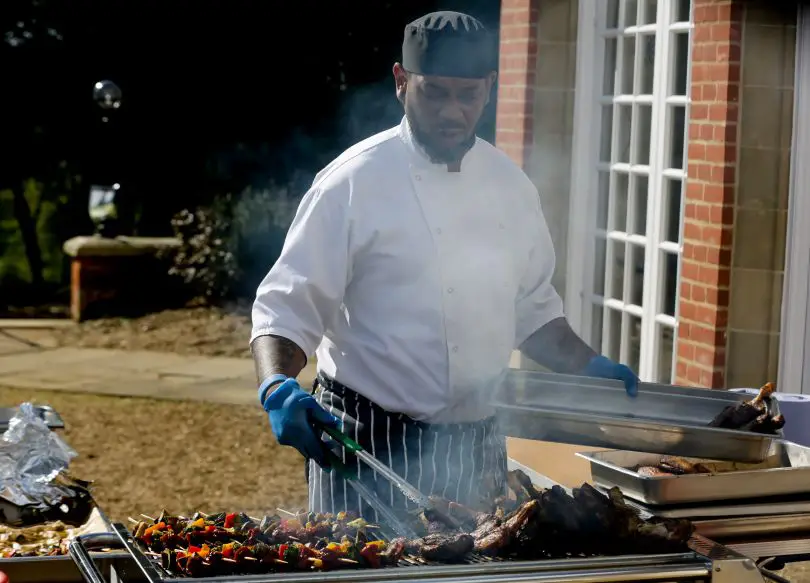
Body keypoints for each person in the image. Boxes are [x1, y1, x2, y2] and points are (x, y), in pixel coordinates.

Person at [251, 11, 638, 521]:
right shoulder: (352, 182)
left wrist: (591, 368)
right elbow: (285, 310)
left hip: (474, 449)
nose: (452, 112)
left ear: (490, 88)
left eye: (468, 95)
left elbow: (534, 314)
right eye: (434, 93)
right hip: (364, 444)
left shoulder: (511, 188)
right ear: (401, 82)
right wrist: (277, 386)